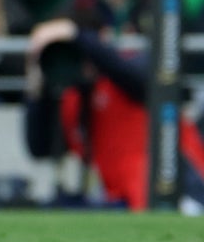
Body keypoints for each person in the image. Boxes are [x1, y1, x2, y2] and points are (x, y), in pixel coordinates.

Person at [24, 17, 204, 209]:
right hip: (123, 201)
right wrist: (37, 89)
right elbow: (39, 148)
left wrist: (75, 34)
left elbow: (133, 76)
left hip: (184, 189)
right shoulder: (71, 100)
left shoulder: (131, 70)